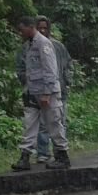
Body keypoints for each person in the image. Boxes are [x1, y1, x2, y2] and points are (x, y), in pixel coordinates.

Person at [11, 16, 70, 171]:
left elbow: (51, 70)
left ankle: (62, 155)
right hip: (32, 92)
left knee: (54, 124)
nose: (20, 33)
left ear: (30, 27)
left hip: (47, 93)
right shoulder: (28, 46)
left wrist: (47, 92)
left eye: (22, 29)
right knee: (29, 125)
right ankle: (24, 157)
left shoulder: (44, 44)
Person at [35, 16, 73, 162]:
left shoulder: (58, 46)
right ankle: (43, 153)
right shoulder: (32, 46)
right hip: (41, 90)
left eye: (45, 28)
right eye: (40, 28)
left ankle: (60, 152)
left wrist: (67, 80)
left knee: (60, 121)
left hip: (60, 89)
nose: (43, 31)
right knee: (43, 123)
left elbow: (68, 64)